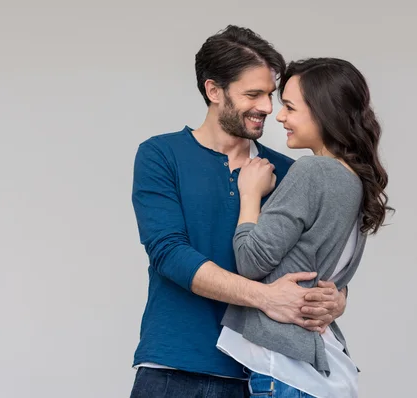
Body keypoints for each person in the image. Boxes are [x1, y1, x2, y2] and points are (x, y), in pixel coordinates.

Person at [129, 26, 348, 398]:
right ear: (214, 91)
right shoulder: (161, 155)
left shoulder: (290, 171)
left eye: (270, 95)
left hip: (265, 375)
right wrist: (264, 297)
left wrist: (336, 299)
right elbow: (169, 253)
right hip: (175, 368)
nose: (267, 106)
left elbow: (320, 258)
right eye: (253, 94)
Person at [217, 58, 391, 398]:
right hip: (323, 369)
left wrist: (250, 195)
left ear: (324, 112)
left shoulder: (313, 172)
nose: (279, 116)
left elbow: (251, 262)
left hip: (286, 371)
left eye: (291, 108)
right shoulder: (355, 181)